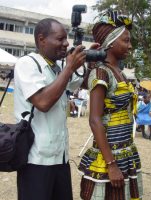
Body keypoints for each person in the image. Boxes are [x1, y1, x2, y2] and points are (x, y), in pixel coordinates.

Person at [14, 18, 98, 200]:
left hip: (60, 158)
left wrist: (89, 62)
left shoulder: (58, 66)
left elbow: (82, 83)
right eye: (60, 39)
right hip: (35, 160)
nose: (66, 43)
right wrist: (69, 67)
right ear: (42, 39)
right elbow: (43, 102)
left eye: (66, 39)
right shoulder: (28, 64)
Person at [78, 10, 143, 200]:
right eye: (126, 41)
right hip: (110, 155)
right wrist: (111, 164)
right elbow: (95, 120)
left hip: (125, 151)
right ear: (110, 43)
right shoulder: (101, 73)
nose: (130, 46)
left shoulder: (119, 72)